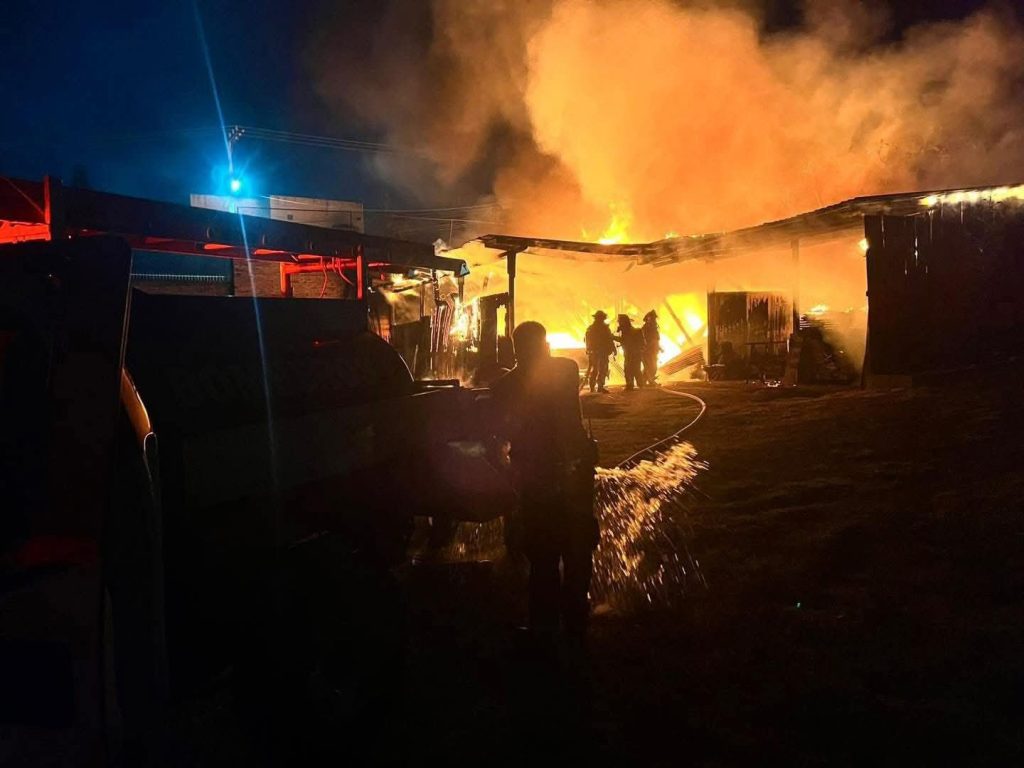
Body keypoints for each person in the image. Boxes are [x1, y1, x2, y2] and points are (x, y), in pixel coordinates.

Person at [489, 321, 599, 642]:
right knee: (578, 543)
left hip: (536, 475)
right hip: (574, 470)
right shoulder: (567, 369)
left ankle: (544, 624)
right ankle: (576, 615)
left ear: (515, 348)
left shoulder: (504, 386)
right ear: (544, 343)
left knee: (542, 551)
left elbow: (502, 429)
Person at [584, 310, 616, 393]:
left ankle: (593, 387)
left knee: (595, 369)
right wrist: (613, 349)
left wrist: (589, 350)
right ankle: (600, 386)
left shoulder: (591, 328)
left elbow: (586, 340)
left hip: (595, 352)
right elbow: (609, 339)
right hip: (601, 352)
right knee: (602, 369)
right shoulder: (604, 328)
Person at [614, 314, 644, 391]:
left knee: (629, 369)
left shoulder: (628, 331)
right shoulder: (627, 330)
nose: (619, 323)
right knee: (635, 368)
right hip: (632, 353)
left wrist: (612, 337)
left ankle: (631, 385)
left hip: (632, 353)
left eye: (620, 322)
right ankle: (639, 384)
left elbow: (624, 340)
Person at [641, 310, 661, 387]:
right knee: (651, 367)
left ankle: (645, 381)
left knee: (651, 367)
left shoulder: (654, 327)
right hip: (648, 350)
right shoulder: (645, 328)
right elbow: (645, 339)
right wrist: (647, 348)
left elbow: (656, 339)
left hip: (653, 350)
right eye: (652, 318)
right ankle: (648, 381)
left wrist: (659, 347)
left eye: (654, 318)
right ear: (648, 319)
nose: (654, 320)